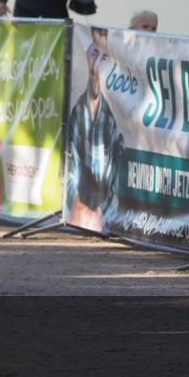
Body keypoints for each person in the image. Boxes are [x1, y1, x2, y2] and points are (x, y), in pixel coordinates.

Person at [66, 27, 123, 234]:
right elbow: (70, 168)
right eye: (94, 53)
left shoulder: (113, 119)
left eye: (105, 56)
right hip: (78, 213)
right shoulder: (78, 112)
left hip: (102, 216)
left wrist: (101, 213)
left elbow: (114, 183)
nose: (98, 62)